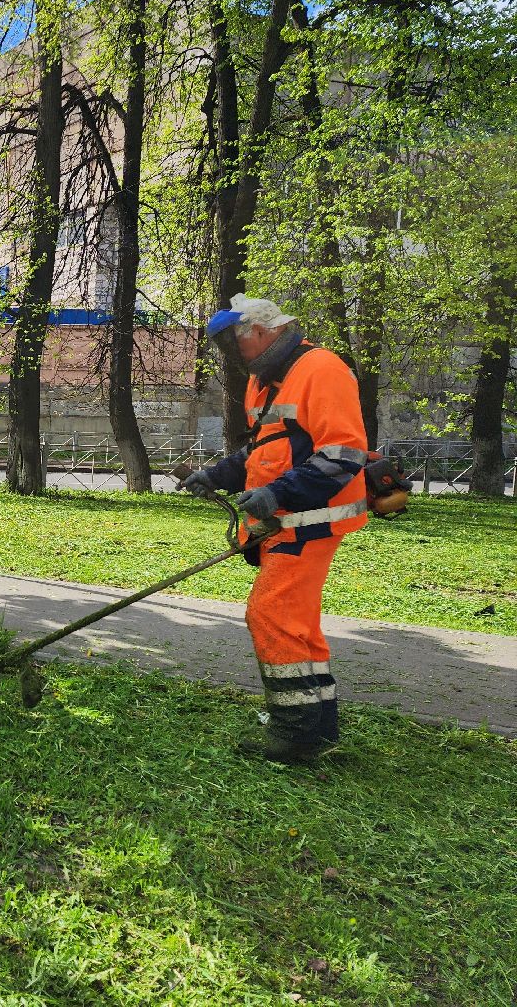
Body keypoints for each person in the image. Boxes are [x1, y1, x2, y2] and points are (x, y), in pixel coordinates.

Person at [177, 293, 369, 764]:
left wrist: (279, 494)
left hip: (309, 522)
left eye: (234, 344)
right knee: (295, 624)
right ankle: (318, 728)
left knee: (271, 614)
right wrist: (217, 475)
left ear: (261, 334)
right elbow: (263, 452)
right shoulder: (265, 384)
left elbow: (344, 454)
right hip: (284, 523)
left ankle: (296, 735)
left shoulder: (321, 368)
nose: (232, 355)